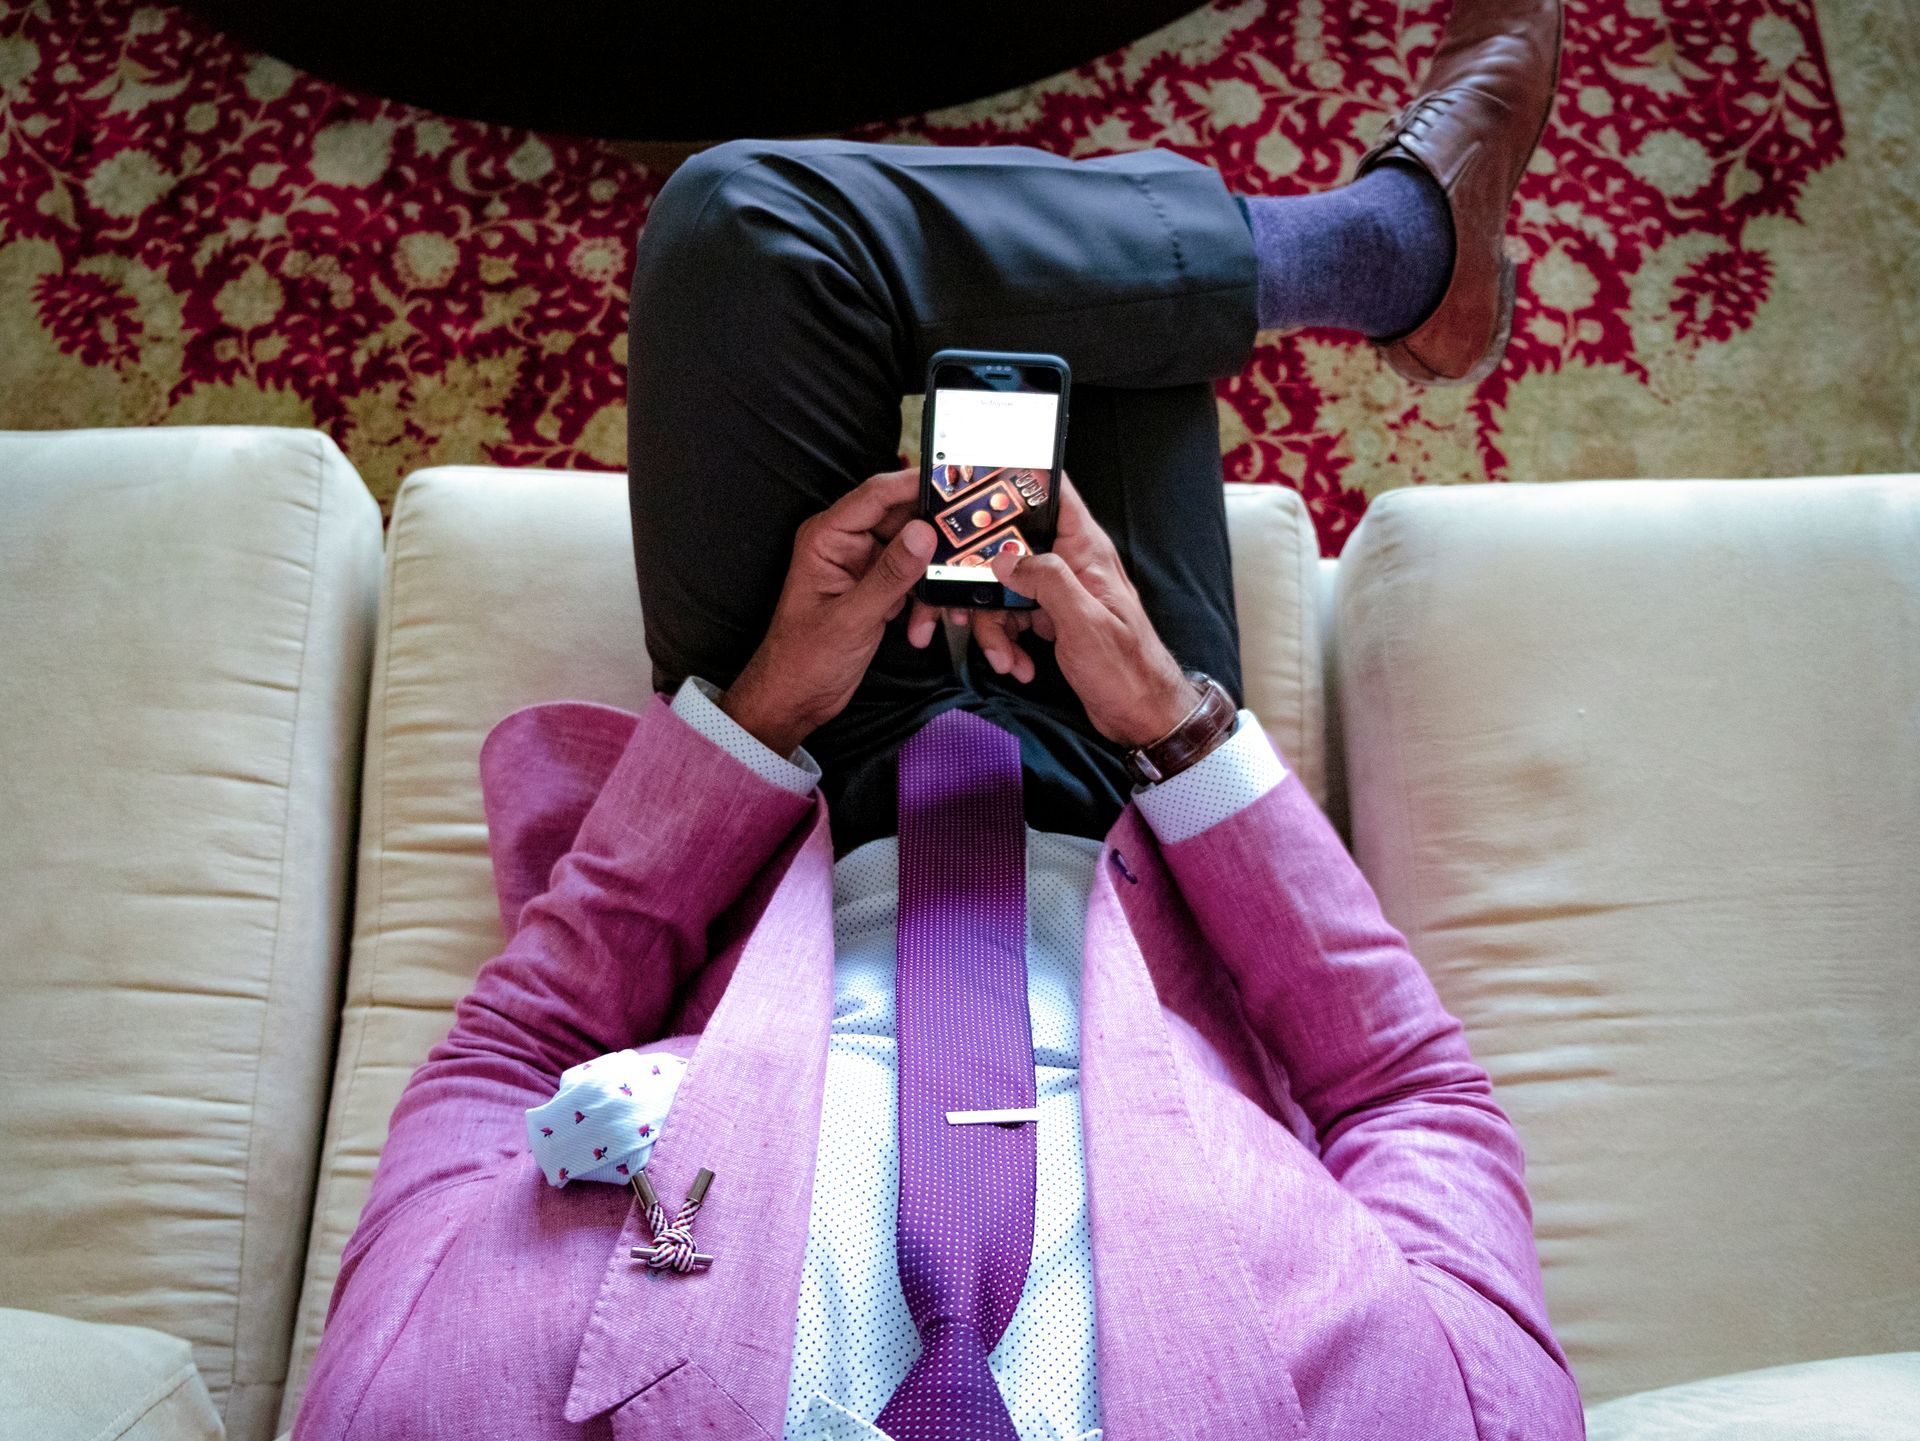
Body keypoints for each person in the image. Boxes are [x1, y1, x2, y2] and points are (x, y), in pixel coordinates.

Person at [295, 3, 1579, 1438]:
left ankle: (1388, 253)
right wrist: (1170, 720)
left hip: (790, 789)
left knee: (746, 226)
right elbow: (1409, 1093)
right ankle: (1389, 253)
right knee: (1081, 292)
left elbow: (507, 1059)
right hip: (1141, 801)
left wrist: (766, 702)